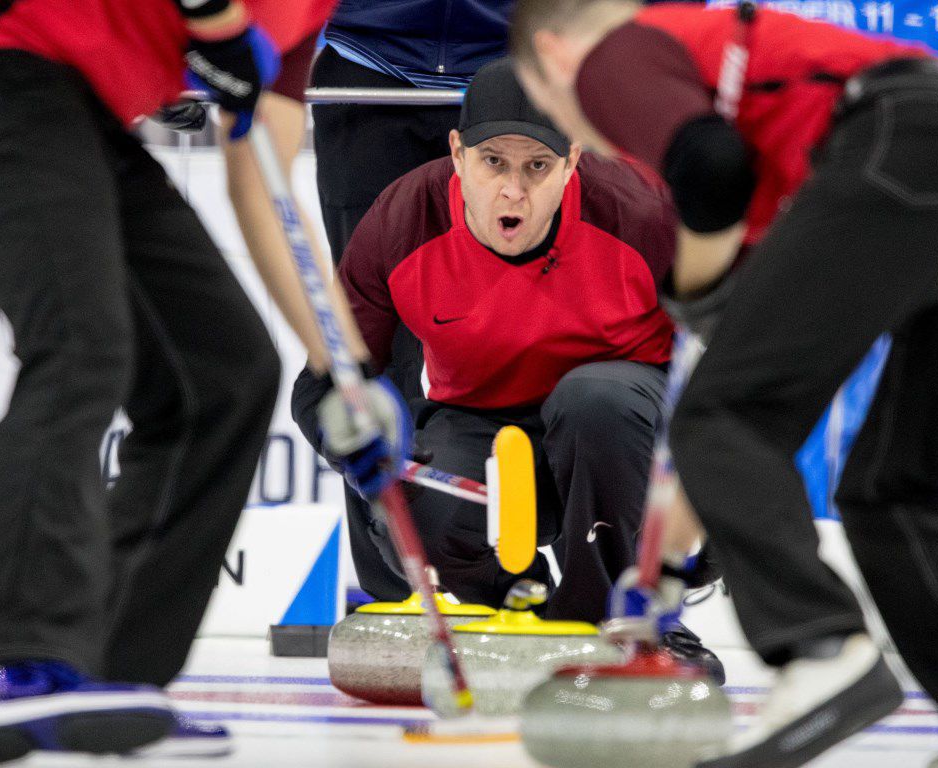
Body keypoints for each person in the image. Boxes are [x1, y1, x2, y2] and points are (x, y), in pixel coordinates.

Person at [510, 2, 938, 767]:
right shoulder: (770, 125)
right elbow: (727, 374)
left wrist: (697, 288)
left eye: (547, 107)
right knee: (894, 484)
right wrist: (669, 559)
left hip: (907, 135)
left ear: (552, 55)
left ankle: (819, 651)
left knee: (724, 420)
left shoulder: (615, 53)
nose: (582, 129)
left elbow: (710, 171)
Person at [0, 0, 339, 760]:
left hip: (88, 109)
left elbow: (263, 183)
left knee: (226, 372)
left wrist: (344, 370)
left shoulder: (314, 13)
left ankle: (110, 672)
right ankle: (11, 663)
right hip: (8, 63)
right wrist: (216, 22)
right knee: (80, 348)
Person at [292, 59, 722, 680]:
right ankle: (521, 609)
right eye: (494, 162)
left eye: (537, 167)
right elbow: (328, 382)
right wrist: (369, 457)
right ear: (458, 154)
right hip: (486, 436)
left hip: (615, 431)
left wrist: (709, 531)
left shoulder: (641, 213)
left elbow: (732, 367)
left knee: (594, 399)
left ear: (573, 162)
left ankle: (624, 619)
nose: (513, 191)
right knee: (414, 490)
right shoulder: (401, 219)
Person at [312, 0, 515, 601]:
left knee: (524, 336)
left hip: (515, 76)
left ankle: (517, 581)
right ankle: (392, 592)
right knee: (368, 349)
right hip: (366, 67)